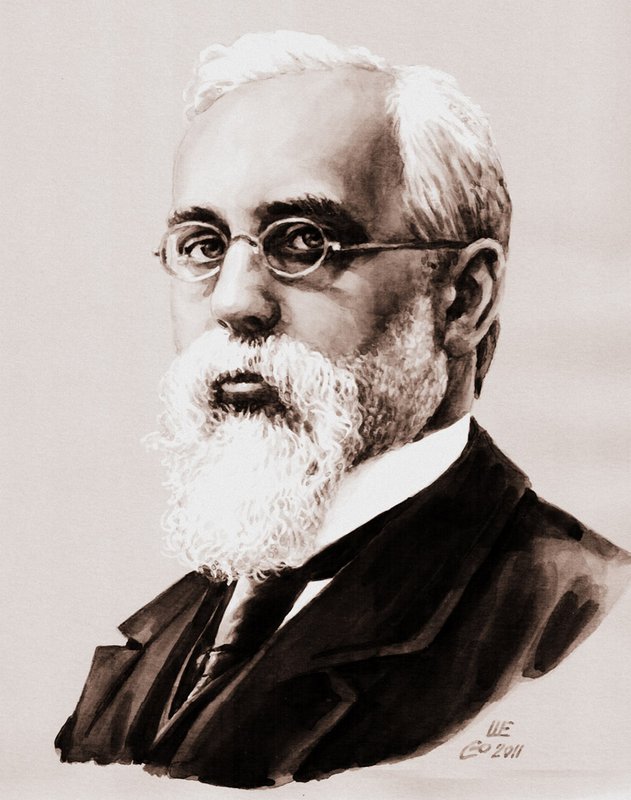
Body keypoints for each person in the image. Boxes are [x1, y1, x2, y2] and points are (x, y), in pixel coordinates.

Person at [55, 31, 630, 789]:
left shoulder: (575, 616)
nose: (233, 302)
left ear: (462, 298)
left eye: (304, 242)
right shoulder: (165, 633)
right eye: (202, 246)